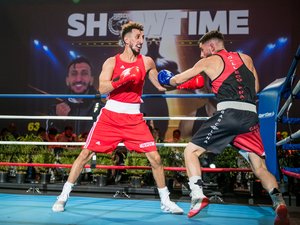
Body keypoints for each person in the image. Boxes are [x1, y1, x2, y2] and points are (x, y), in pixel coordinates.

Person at [158, 30, 289, 224]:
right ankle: (279, 204)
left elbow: (176, 80)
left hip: (228, 114)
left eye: (202, 50)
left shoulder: (208, 61)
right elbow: (256, 88)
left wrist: (166, 79)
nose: (201, 55)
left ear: (211, 47)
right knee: (259, 167)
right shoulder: (246, 58)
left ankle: (197, 196)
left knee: (191, 152)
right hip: (250, 117)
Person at [52, 21, 183, 214]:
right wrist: (122, 78)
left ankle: (166, 201)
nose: (141, 40)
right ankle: (62, 197)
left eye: (142, 37)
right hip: (110, 116)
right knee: (85, 155)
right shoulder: (112, 62)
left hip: (134, 118)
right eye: (138, 37)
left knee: (155, 158)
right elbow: (102, 88)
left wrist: (181, 83)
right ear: (126, 39)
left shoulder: (147, 62)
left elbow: (161, 86)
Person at [47, 56, 104, 135]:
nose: (78, 79)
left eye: (84, 73)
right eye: (74, 74)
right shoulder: (56, 109)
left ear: (91, 80)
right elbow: (49, 138)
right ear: (67, 80)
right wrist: (59, 120)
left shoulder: (103, 109)